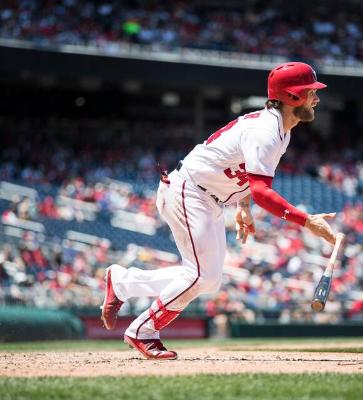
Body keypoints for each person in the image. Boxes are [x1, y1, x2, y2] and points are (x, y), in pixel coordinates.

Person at [101, 62, 338, 359]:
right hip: (189, 191)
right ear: (291, 98)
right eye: (310, 92)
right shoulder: (266, 131)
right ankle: (144, 330)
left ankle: (123, 282)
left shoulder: (281, 130)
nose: (316, 98)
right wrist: (307, 221)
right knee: (200, 275)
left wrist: (243, 206)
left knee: (207, 279)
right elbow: (264, 192)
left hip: (208, 198)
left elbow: (250, 180)